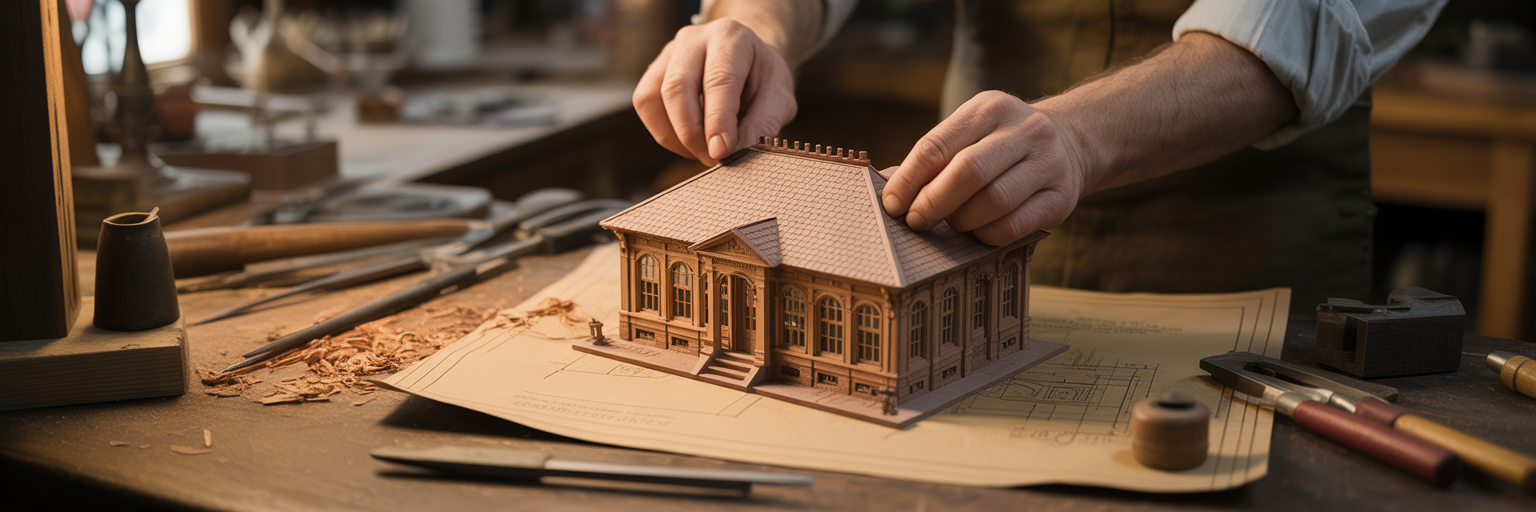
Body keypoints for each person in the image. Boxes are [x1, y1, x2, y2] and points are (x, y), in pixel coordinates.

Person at [631, 0, 1447, 315]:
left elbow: (1305, 21)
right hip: (963, 240)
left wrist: (1083, 139)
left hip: (1242, 257)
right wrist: (759, 24)